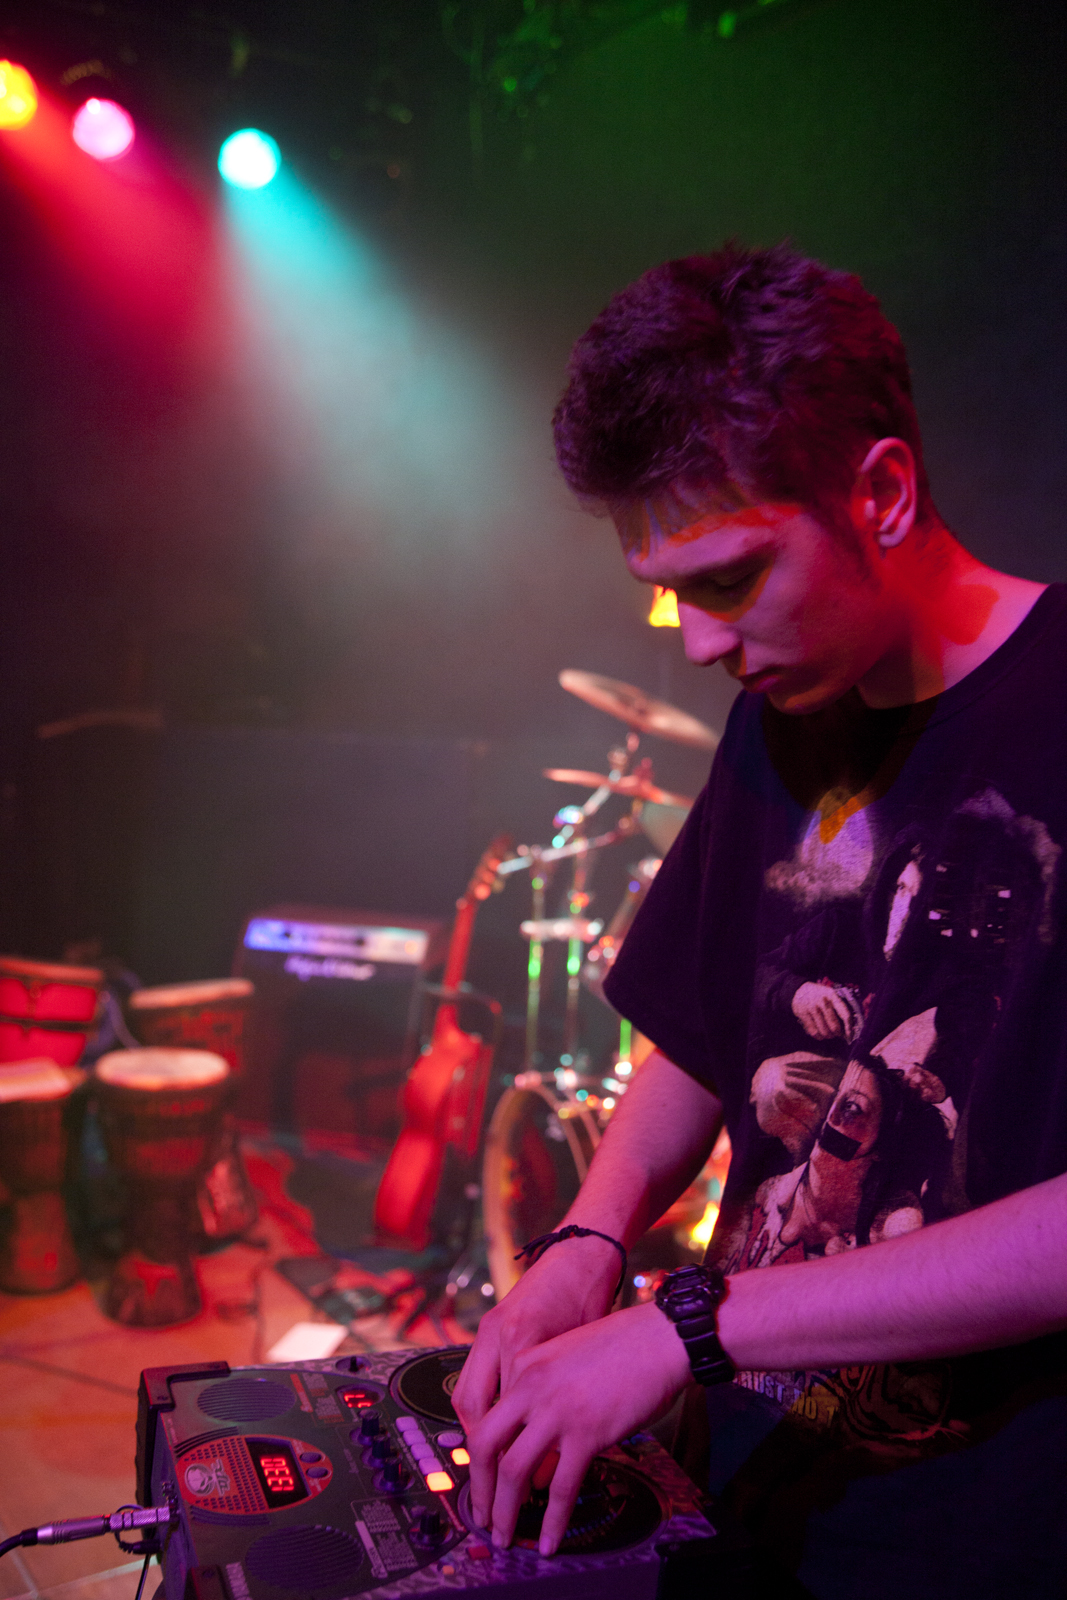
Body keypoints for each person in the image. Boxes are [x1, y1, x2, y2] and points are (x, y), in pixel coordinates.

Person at [451, 244, 1067, 1598]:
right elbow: (698, 1024)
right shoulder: (786, 711)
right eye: (669, 590)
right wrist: (589, 1241)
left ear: (881, 494)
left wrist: (691, 1324)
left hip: (978, 1534)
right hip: (742, 1478)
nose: (695, 641)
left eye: (728, 579)